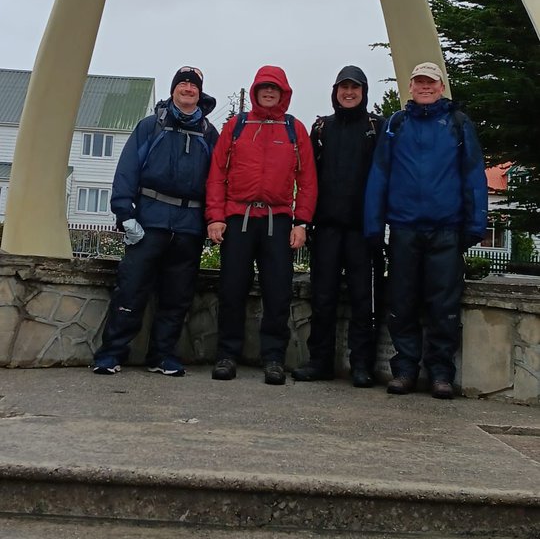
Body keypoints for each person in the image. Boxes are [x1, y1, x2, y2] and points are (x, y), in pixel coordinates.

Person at [364, 61, 488, 399]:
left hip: (446, 229)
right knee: (401, 302)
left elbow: (474, 177)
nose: (424, 87)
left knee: (443, 306)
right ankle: (404, 369)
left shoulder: (459, 124)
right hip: (403, 228)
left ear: (441, 87)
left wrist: (475, 225)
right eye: (418, 81)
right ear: (411, 86)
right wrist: (373, 225)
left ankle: (440, 374)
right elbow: (379, 176)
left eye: (430, 82)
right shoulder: (396, 124)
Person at [93, 66, 218, 376]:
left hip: (188, 226)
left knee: (177, 296)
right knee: (131, 289)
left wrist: (211, 219)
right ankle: (111, 353)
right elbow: (127, 171)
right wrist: (125, 213)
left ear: (199, 94)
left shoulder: (209, 134)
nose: (188, 89)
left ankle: (161, 356)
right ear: (174, 89)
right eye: (183, 84)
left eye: (193, 86)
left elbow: (218, 181)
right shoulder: (151, 127)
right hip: (149, 222)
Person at [206, 65, 318, 385]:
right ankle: (227, 355)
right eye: (263, 88)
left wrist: (302, 222)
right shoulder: (236, 126)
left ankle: (273, 358)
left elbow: (307, 180)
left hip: (278, 220)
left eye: (275, 89)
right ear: (255, 91)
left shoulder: (294, 129)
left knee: (278, 292)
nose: (269, 93)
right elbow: (217, 174)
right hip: (238, 218)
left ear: (284, 93)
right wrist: (215, 216)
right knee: (231, 289)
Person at [293, 65, 384, 387]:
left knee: (364, 301)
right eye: (343, 88)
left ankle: (362, 366)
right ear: (335, 92)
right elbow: (305, 177)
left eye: (355, 88)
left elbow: (387, 177)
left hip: (363, 231)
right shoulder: (320, 129)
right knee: (323, 299)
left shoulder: (378, 128)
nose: (348, 93)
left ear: (363, 92)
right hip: (327, 229)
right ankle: (319, 362)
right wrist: (302, 220)